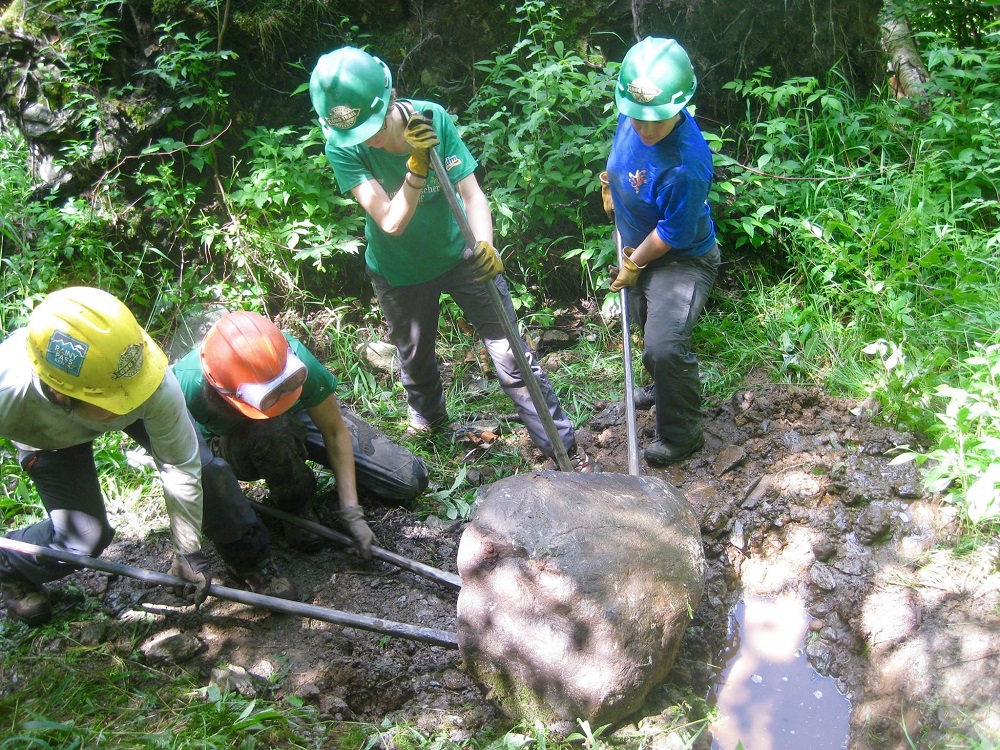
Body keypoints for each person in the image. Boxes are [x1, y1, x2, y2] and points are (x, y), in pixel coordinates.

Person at [308, 46, 595, 472]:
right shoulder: (343, 147)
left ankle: (560, 442)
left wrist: (486, 244)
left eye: (371, 125)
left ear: (387, 99)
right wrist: (417, 167)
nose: (366, 138)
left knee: (510, 351)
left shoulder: (431, 118)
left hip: (461, 254)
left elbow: (471, 193)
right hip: (398, 269)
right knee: (415, 353)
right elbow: (390, 221)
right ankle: (428, 418)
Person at [0, 287, 292, 627]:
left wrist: (187, 549)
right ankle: (9, 563)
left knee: (206, 472)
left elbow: (181, 466)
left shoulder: (146, 381)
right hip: (45, 436)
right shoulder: (8, 393)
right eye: (115, 400)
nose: (133, 402)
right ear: (59, 392)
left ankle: (250, 559)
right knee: (82, 538)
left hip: (100, 397)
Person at [171, 310, 429, 555]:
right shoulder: (183, 386)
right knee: (272, 428)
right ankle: (296, 507)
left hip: (297, 417)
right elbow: (187, 466)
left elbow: (334, 431)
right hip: (228, 444)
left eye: (286, 384)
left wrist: (352, 511)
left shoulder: (290, 354)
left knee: (407, 479)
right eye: (270, 396)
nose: (279, 397)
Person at [602, 37, 721, 465]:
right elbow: (625, 157)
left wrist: (634, 262)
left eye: (657, 120)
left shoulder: (687, 164)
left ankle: (682, 433)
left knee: (665, 346)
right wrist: (611, 181)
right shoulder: (633, 111)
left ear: (681, 105)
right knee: (645, 322)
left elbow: (671, 234)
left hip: (681, 258)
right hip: (637, 245)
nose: (644, 128)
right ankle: (661, 388)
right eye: (636, 117)